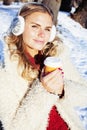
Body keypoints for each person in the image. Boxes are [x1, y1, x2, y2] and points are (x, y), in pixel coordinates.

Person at [0, 2, 87, 130]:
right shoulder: (5, 72)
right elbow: (15, 127)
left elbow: (84, 94)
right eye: (35, 27)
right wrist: (44, 90)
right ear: (19, 27)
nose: (42, 35)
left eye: (47, 29)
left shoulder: (57, 56)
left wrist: (62, 90)